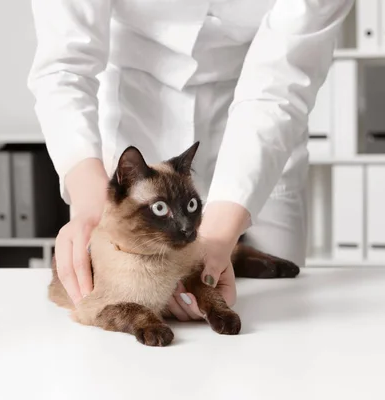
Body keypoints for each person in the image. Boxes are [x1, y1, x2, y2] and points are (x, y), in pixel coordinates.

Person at [28, 0, 353, 321]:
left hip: (261, 126)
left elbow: (280, 84)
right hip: (134, 106)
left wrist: (213, 243)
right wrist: (91, 203)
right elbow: (64, 64)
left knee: (277, 309)